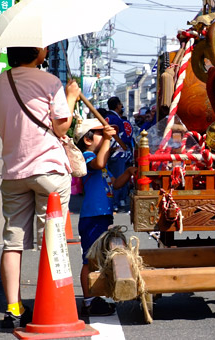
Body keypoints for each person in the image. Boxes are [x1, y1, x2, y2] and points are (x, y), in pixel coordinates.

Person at [0, 46, 80, 328]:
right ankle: (49, 306)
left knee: (12, 242)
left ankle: (13, 309)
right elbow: (61, 127)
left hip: (14, 171)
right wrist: (72, 98)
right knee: (51, 240)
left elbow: (3, 120)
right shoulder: (50, 81)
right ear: (37, 52)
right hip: (48, 170)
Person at [74, 119, 137, 316]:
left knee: (99, 258)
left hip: (101, 216)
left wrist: (128, 172)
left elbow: (116, 184)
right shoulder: (86, 156)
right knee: (89, 260)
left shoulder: (102, 166)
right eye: (100, 133)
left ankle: (95, 297)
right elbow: (99, 161)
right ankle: (89, 301)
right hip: (92, 217)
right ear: (87, 139)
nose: (105, 135)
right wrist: (110, 139)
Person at [104, 96, 133, 211]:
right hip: (117, 152)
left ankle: (115, 201)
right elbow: (123, 137)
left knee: (111, 177)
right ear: (117, 106)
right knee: (118, 178)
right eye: (120, 104)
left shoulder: (107, 117)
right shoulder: (116, 119)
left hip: (108, 151)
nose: (122, 106)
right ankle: (116, 202)